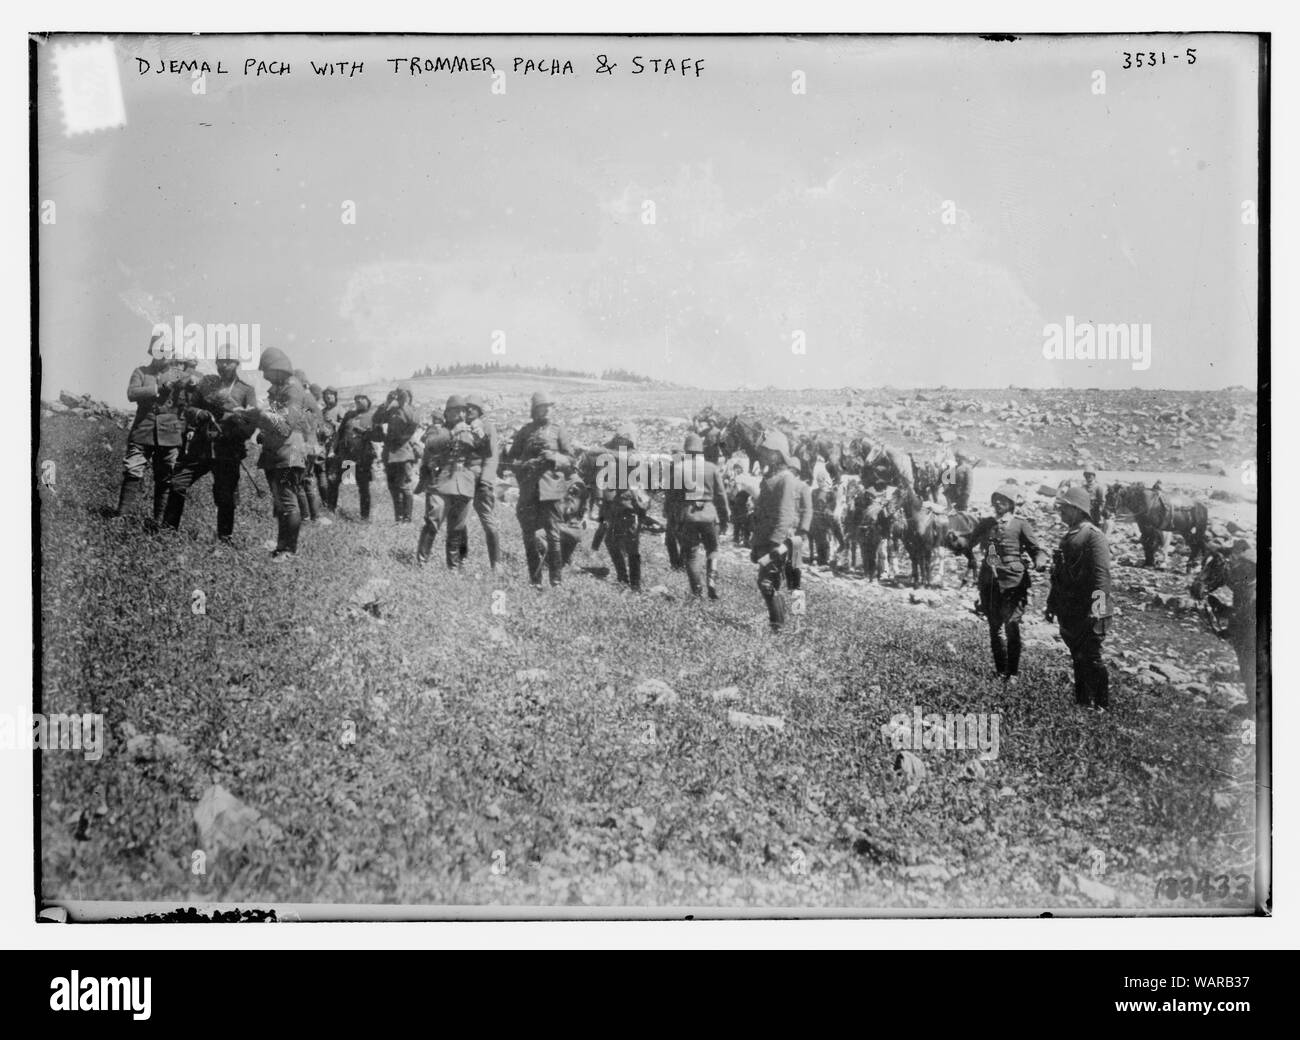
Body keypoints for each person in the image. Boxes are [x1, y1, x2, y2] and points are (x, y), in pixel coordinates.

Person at [162, 341, 258, 541]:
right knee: (178, 482)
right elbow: (188, 409)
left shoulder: (246, 391)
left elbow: (251, 423)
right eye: (220, 362)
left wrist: (234, 427)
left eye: (228, 362)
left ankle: (225, 538)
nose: (223, 366)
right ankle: (168, 532)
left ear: (236, 364)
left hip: (227, 451)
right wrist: (199, 413)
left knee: (226, 496)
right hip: (201, 447)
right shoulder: (207, 383)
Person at [968, 484, 1049, 684]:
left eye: (1002, 500)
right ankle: (999, 671)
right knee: (994, 626)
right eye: (995, 499)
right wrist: (955, 541)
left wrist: (1040, 561)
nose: (998, 503)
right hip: (990, 581)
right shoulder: (986, 523)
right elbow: (968, 542)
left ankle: (1012, 673)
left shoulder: (1021, 524)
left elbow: (1035, 549)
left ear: (1011, 504)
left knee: (1012, 624)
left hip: (1013, 581)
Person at [1046, 486, 1114, 710]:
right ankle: (1083, 703)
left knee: (1092, 656)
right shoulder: (1070, 536)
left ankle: (1102, 706)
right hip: (1071, 609)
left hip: (1090, 609)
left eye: (1065, 508)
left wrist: (1097, 610)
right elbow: (1059, 575)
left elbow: (1101, 578)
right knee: (1077, 656)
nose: (1061, 512)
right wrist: (1052, 603)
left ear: (1077, 510)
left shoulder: (1094, 536)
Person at [242, 347, 311, 560]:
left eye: (267, 371)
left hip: (289, 452)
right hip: (277, 452)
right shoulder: (279, 389)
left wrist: (259, 414)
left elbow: (285, 425)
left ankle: (288, 550)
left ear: (278, 368)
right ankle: (282, 546)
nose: (264, 376)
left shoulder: (292, 390)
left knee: (288, 502)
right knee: (281, 502)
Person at [114, 332, 186, 525]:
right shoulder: (141, 372)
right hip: (143, 430)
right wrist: (156, 389)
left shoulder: (179, 373)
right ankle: (121, 516)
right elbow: (132, 393)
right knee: (133, 470)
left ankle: (159, 522)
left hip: (169, 433)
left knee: (166, 477)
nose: (162, 354)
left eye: (166, 351)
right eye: (158, 350)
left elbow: (191, 387)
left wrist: (186, 379)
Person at [506, 390, 575, 588]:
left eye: (547, 407)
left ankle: (556, 581)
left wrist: (555, 458)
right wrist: (524, 465)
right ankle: (534, 580)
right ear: (534, 410)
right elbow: (511, 459)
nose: (544, 411)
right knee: (528, 534)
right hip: (529, 489)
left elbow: (571, 459)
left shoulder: (558, 430)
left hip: (552, 488)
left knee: (553, 535)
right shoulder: (525, 432)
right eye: (541, 407)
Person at [749, 430, 813, 633]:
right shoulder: (772, 478)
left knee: (787, 583)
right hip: (774, 540)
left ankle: (787, 625)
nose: (763, 455)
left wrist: (775, 545)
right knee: (782, 583)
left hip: (785, 542)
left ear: (777, 454)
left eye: (767, 452)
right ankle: (785, 624)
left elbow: (785, 515)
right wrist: (756, 543)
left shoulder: (785, 479)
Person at [416, 395, 478, 568]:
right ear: (447, 413)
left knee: (457, 527)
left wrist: (480, 432)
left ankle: (454, 567)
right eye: (455, 410)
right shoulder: (438, 429)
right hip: (441, 482)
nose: (459, 414)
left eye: (462, 411)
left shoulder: (470, 430)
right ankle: (422, 563)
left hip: (463, 483)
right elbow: (430, 444)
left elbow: (483, 451)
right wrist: (453, 433)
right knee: (433, 522)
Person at [674, 432, 730, 599]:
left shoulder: (679, 469)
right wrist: (725, 518)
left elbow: (672, 497)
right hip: (709, 516)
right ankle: (711, 581)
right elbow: (721, 496)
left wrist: (675, 517)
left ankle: (697, 591)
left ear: (686, 450)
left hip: (688, 516)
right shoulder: (712, 468)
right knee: (713, 549)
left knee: (691, 555)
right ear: (701, 450)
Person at [598, 424, 651, 591]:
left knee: (630, 546)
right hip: (620, 505)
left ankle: (633, 584)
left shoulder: (633, 457)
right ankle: (626, 580)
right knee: (614, 542)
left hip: (630, 506)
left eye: (621, 441)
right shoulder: (623, 457)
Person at [464, 393, 502, 572]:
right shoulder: (462, 427)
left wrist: (486, 480)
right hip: (463, 479)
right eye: (467, 407)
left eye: (473, 407)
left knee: (488, 520)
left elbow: (492, 456)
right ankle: (460, 561)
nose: (469, 410)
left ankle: (496, 563)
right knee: (459, 521)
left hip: (481, 481)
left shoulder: (488, 427)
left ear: (480, 411)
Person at [373, 385, 420, 523]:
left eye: (402, 395)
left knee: (404, 486)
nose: (399, 398)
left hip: (404, 454)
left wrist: (404, 404)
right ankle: (398, 518)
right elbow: (377, 419)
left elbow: (413, 421)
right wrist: (387, 403)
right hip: (390, 454)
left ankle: (407, 518)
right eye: (399, 395)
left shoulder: (411, 411)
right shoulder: (392, 410)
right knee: (392, 487)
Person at [337, 394, 377, 521]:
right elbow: (340, 432)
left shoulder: (373, 416)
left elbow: (378, 435)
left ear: (368, 401)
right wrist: (336, 449)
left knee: (363, 486)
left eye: (361, 398)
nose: (358, 401)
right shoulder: (349, 415)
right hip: (347, 455)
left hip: (363, 456)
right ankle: (344, 511)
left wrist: (365, 432)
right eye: (356, 399)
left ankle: (364, 516)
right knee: (347, 483)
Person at [318, 386, 345, 512]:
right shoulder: (322, 412)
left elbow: (346, 428)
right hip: (324, 448)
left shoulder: (340, 410)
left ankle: (332, 507)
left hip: (336, 448)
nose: (328, 397)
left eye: (331, 395)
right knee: (325, 478)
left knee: (332, 478)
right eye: (326, 395)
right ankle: (329, 505)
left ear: (335, 396)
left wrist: (334, 423)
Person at [1081, 464, 1110, 533]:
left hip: (1095, 513)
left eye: (1090, 475)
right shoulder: (1083, 487)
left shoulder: (1098, 487)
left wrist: (1100, 510)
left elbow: (1102, 501)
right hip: (1085, 511)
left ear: (1094, 476)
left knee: (1096, 530)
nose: (1088, 477)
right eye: (1086, 475)